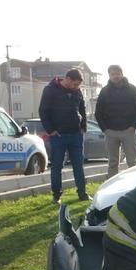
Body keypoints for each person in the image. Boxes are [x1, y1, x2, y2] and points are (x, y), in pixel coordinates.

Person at [39, 69, 88, 203]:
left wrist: (83, 127)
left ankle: (82, 194)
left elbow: (82, 109)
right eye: (75, 84)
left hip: (76, 134)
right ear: (68, 79)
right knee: (57, 166)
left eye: (78, 85)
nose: (76, 87)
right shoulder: (50, 90)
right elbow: (43, 111)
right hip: (58, 135)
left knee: (78, 165)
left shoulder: (77, 91)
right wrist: (51, 130)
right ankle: (56, 195)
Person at [95, 65, 136, 179]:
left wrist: (133, 127)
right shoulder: (104, 91)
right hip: (110, 132)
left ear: (122, 74)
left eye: (118, 74)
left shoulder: (132, 89)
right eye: (112, 74)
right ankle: (112, 186)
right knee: (112, 163)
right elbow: (98, 113)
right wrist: (105, 129)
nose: (115, 76)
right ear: (109, 75)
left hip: (129, 131)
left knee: (132, 162)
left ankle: (134, 185)